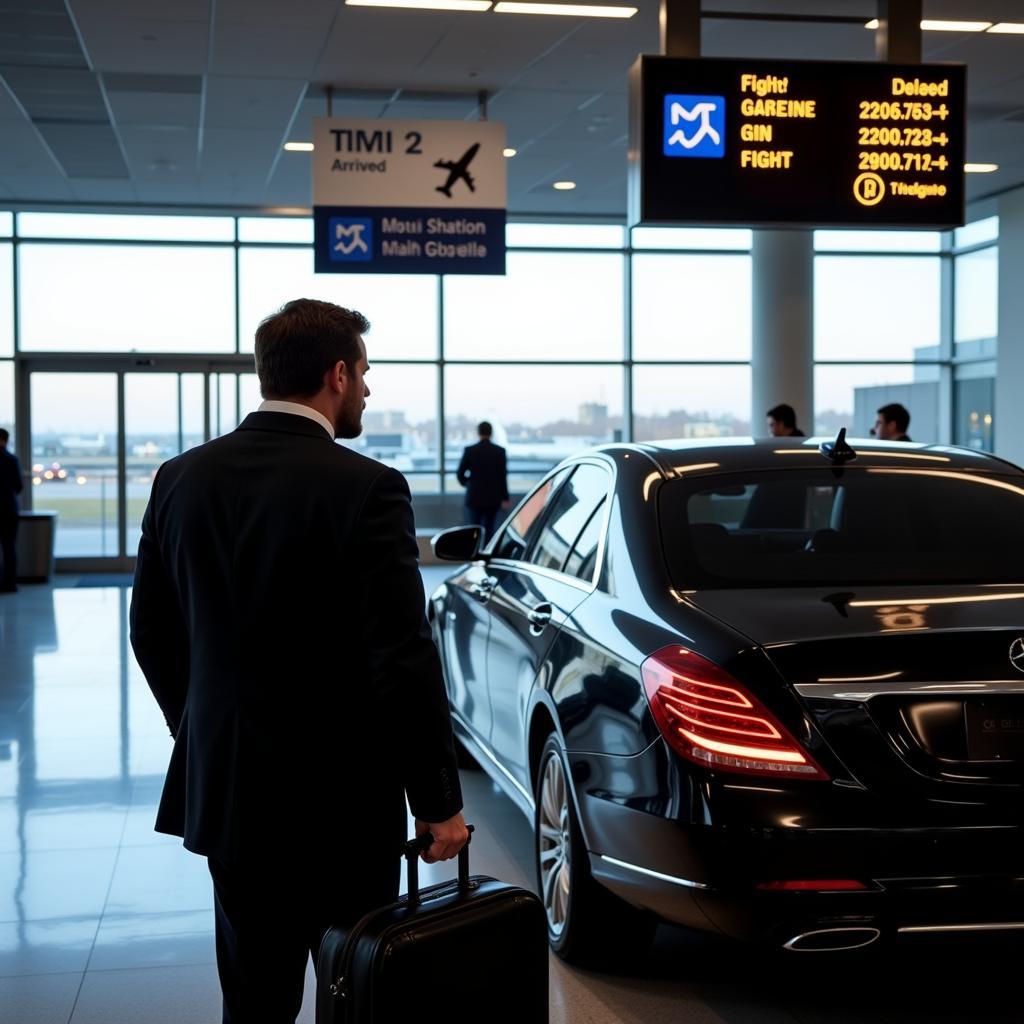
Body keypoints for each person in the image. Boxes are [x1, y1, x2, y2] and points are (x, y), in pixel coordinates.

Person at [129, 298, 468, 1024]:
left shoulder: (180, 478)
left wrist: (205, 725)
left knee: (252, 993)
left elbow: (150, 631)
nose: (370, 391)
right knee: (357, 987)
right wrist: (438, 802)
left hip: (230, 789)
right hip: (341, 798)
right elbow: (400, 657)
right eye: (367, 373)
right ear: (337, 374)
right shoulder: (369, 487)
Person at [456, 420, 509, 543]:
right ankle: (486, 554)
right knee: (489, 528)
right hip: (493, 497)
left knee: (473, 528)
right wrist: (505, 497)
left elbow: (460, 474)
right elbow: (503, 476)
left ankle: (474, 553)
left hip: (474, 496)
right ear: (491, 433)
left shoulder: (470, 450)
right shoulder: (500, 452)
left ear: (478, 432)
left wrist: (469, 484)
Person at [0, 427, 22, 593]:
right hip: (9, 508)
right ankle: (10, 583)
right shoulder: (12, 459)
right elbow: (19, 486)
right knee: (9, 547)